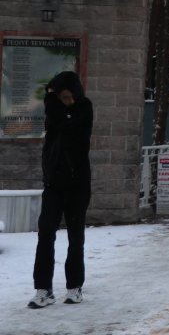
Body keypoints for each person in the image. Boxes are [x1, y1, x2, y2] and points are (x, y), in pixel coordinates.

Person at [29, 71, 93, 309]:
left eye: (70, 97)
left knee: (75, 236)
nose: (69, 102)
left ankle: (74, 286)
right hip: (53, 185)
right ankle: (43, 289)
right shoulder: (55, 113)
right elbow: (58, 123)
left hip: (77, 184)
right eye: (63, 98)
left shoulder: (84, 108)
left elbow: (67, 124)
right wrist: (53, 101)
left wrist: (53, 102)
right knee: (45, 233)